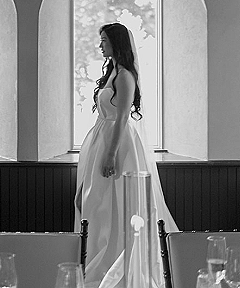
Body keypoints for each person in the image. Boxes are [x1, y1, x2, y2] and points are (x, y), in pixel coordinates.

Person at [74, 23, 177, 288]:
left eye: (104, 40)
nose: (100, 45)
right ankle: (97, 260)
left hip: (119, 147)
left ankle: (117, 267)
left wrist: (110, 155)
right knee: (94, 203)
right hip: (101, 141)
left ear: (117, 42)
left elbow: (121, 118)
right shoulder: (112, 72)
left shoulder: (125, 76)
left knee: (118, 204)